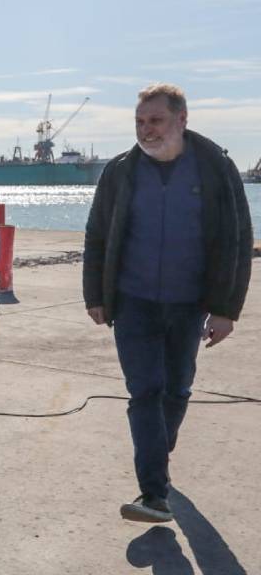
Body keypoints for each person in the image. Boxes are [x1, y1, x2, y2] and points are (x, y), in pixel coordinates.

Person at [83, 84, 252, 523]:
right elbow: (98, 234)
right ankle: (153, 495)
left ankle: (157, 455)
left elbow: (236, 240)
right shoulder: (120, 171)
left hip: (190, 302)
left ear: (182, 119)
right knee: (145, 392)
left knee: (176, 390)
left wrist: (226, 308)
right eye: (140, 122)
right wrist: (95, 296)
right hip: (133, 301)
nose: (146, 130)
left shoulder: (215, 167)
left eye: (155, 120)